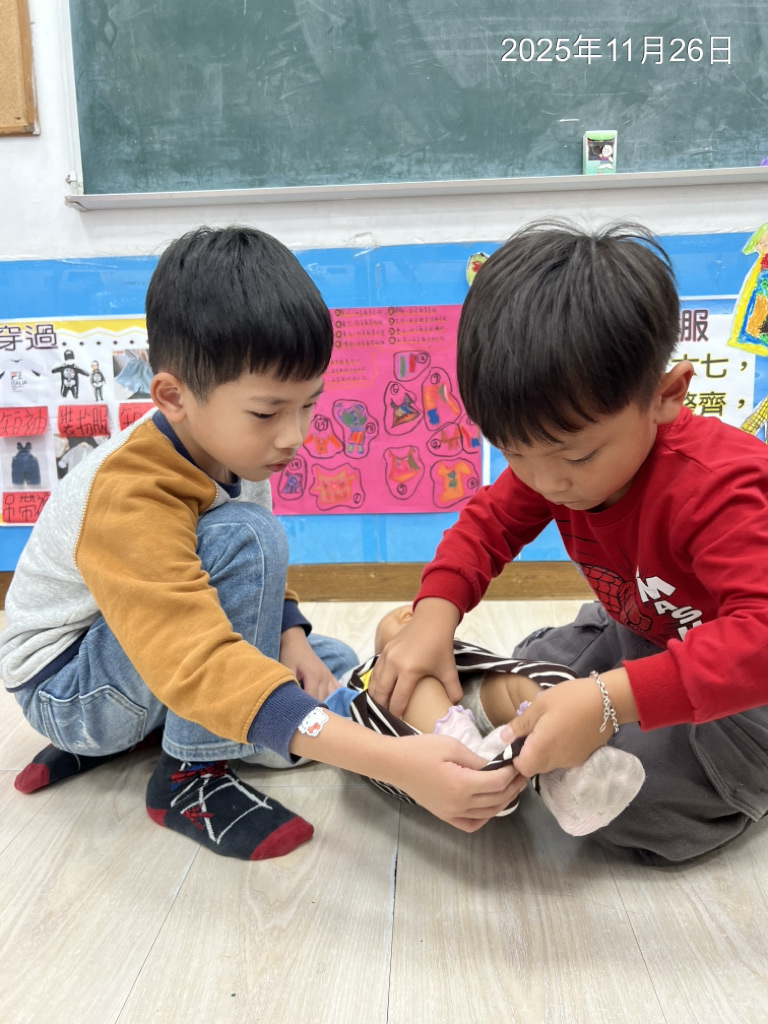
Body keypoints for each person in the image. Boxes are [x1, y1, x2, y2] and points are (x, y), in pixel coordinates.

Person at [0, 227, 522, 862]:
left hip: (134, 652)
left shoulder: (228, 445)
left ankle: (196, 727)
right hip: (70, 691)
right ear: (173, 397)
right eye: (268, 411)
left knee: (327, 657)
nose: (293, 435)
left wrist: (291, 638)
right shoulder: (129, 493)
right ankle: (191, 775)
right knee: (250, 552)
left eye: (307, 405)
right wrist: (391, 761)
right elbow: (201, 653)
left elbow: (246, 582)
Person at [369, 221, 768, 865]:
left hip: (744, 692)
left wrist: (609, 702)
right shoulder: (551, 459)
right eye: (513, 453)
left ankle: (542, 743)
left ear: (665, 396)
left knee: (641, 808)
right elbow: (486, 525)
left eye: (577, 457)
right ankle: (528, 737)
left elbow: (759, 641)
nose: (547, 483)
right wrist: (434, 616)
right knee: (523, 664)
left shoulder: (720, 487)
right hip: (637, 632)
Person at [330, 605, 645, 837]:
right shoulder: (362, 679)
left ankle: (572, 770)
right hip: (424, 751)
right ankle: (472, 753)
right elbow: (332, 721)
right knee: (407, 680)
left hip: (481, 712)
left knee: (519, 685)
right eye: (406, 619)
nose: (408, 618)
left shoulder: (454, 656)